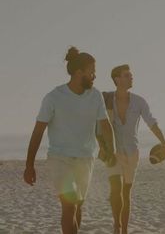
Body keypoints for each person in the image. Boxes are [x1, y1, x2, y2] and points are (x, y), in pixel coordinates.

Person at [23, 47, 116, 234]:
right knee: (70, 206)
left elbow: (105, 125)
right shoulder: (54, 97)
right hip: (60, 158)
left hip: (85, 158)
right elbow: (38, 131)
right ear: (79, 72)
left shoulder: (95, 95)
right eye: (92, 71)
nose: (94, 76)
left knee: (77, 206)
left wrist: (111, 151)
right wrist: (29, 165)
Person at [98, 64, 165, 234]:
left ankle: (124, 230)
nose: (131, 78)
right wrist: (102, 147)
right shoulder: (105, 99)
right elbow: (97, 125)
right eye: (127, 75)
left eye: (131, 75)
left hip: (132, 152)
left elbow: (151, 122)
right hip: (112, 151)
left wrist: (163, 142)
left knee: (126, 192)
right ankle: (117, 226)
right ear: (117, 79)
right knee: (116, 189)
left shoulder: (139, 101)